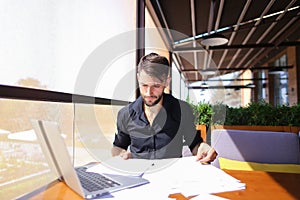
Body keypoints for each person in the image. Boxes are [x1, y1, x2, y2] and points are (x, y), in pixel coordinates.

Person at [111, 52, 217, 163]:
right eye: (144, 85)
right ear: (138, 78)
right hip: (138, 175)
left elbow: (195, 144)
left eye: (156, 86)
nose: (148, 93)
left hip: (172, 176)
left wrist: (204, 148)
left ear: (167, 81)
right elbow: (118, 147)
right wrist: (121, 155)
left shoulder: (182, 110)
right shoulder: (125, 114)